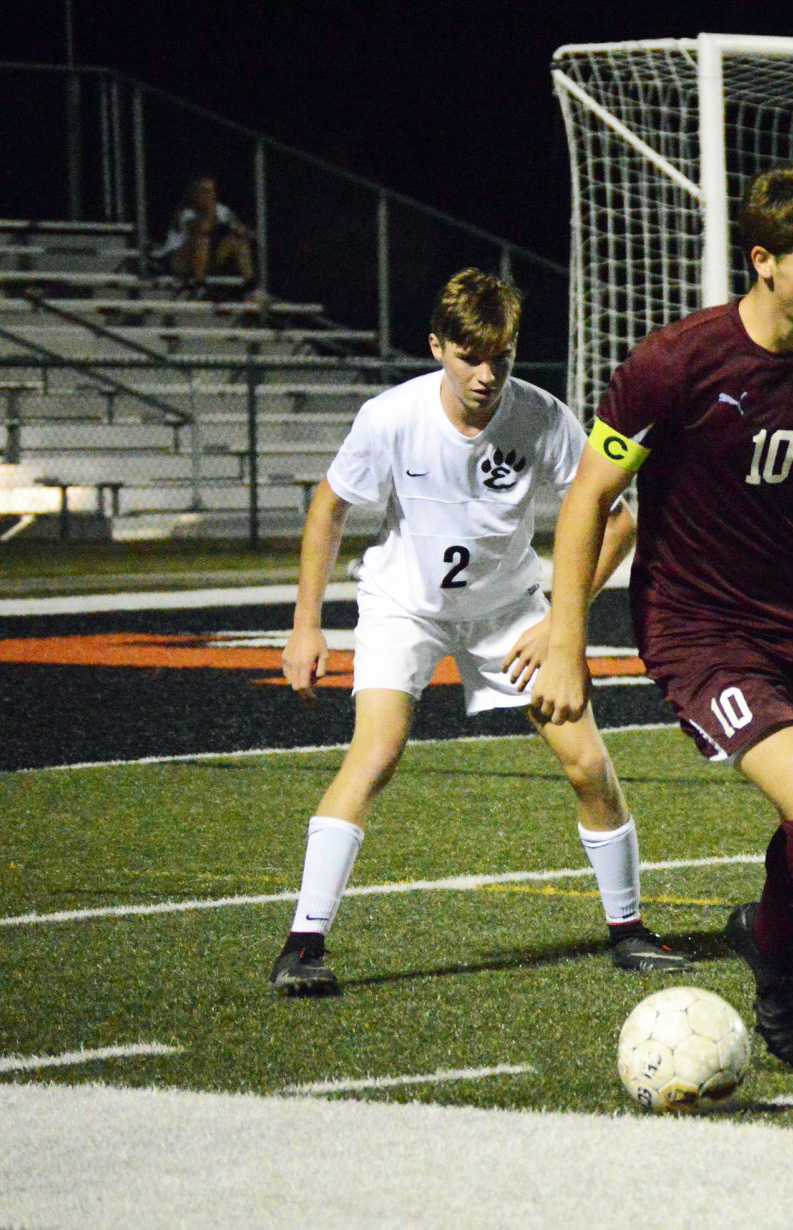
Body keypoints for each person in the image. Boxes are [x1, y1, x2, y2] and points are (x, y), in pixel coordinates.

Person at [530, 162, 793, 1078]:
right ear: (763, 261)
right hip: (697, 633)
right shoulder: (673, 363)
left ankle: (765, 937)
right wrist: (567, 642)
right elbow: (587, 500)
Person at [269, 268, 690, 997]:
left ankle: (628, 931)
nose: (486, 374)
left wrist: (563, 619)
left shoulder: (541, 415)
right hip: (406, 604)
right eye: (469, 355)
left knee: (587, 765)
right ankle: (303, 945)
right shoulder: (390, 417)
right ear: (437, 347)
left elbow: (618, 515)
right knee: (377, 753)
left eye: (501, 355)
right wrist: (306, 625)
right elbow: (328, 508)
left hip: (509, 612)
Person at [156, 175, 257, 297]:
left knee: (237, 242)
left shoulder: (221, 210)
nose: (210, 195)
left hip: (205, 261)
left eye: (212, 191)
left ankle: (251, 288)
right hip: (178, 262)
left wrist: (245, 231)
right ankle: (199, 287)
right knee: (202, 241)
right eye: (205, 191)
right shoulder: (185, 213)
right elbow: (202, 230)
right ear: (195, 194)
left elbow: (240, 229)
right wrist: (211, 212)